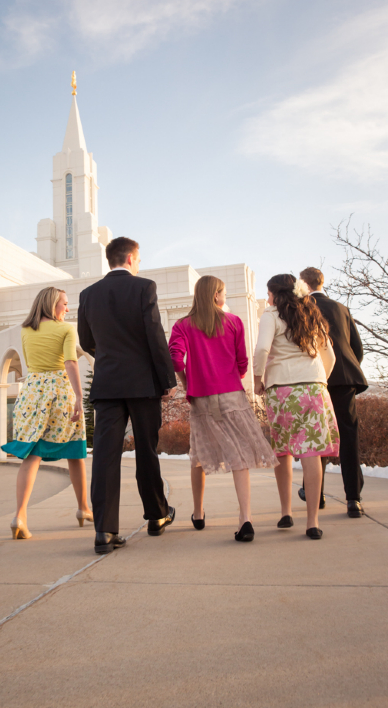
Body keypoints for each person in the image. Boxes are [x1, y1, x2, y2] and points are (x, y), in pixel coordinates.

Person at [78, 237, 177, 555]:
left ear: (110, 260)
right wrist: (167, 378)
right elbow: (154, 333)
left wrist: (108, 356)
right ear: (132, 258)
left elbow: (85, 339)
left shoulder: (88, 294)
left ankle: (104, 531)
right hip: (141, 384)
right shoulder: (144, 287)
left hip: (107, 385)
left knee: (105, 455)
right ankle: (157, 515)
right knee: (146, 450)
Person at [169, 276, 278, 542]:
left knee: (200, 454)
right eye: (224, 293)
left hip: (201, 396)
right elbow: (243, 361)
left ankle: (197, 512)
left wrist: (187, 383)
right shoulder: (234, 322)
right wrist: (233, 376)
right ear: (216, 294)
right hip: (231, 393)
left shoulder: (182, 325)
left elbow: (175, 359)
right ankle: (246, 518)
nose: (225, 298)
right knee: (240, 454)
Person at [2, 287, 92, 539]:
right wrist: (77, 396)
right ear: (53, 306)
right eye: (64, 303)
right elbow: (70, 362)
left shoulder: (25, 330)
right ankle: (83, 508)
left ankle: (20, 515)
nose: (67, 308)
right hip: (59, 391)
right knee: (75, 450)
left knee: (31, 454)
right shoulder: (65, 329)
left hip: (31, 392)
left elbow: (33, 362)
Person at [254, 274, 339, 539]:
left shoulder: (271, 314)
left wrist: (258, 380)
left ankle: (285, 513)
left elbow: (261, 351)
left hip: (282, 390)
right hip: (313, 387)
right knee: (312, 453)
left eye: (268, 294)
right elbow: (330, 356)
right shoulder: (312, 314)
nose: (267, 298)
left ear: (275, 294)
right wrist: (319, 379)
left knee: (283, 451)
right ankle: (312, 521)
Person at [298, 267, 368, 517]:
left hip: (316, 379)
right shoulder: (341, 308)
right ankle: (353, 499)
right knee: (349, 437)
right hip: (345, 378)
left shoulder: (301, 308)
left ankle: (316, 495)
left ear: (304, 284)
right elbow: (356, 349)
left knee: (318, 437)